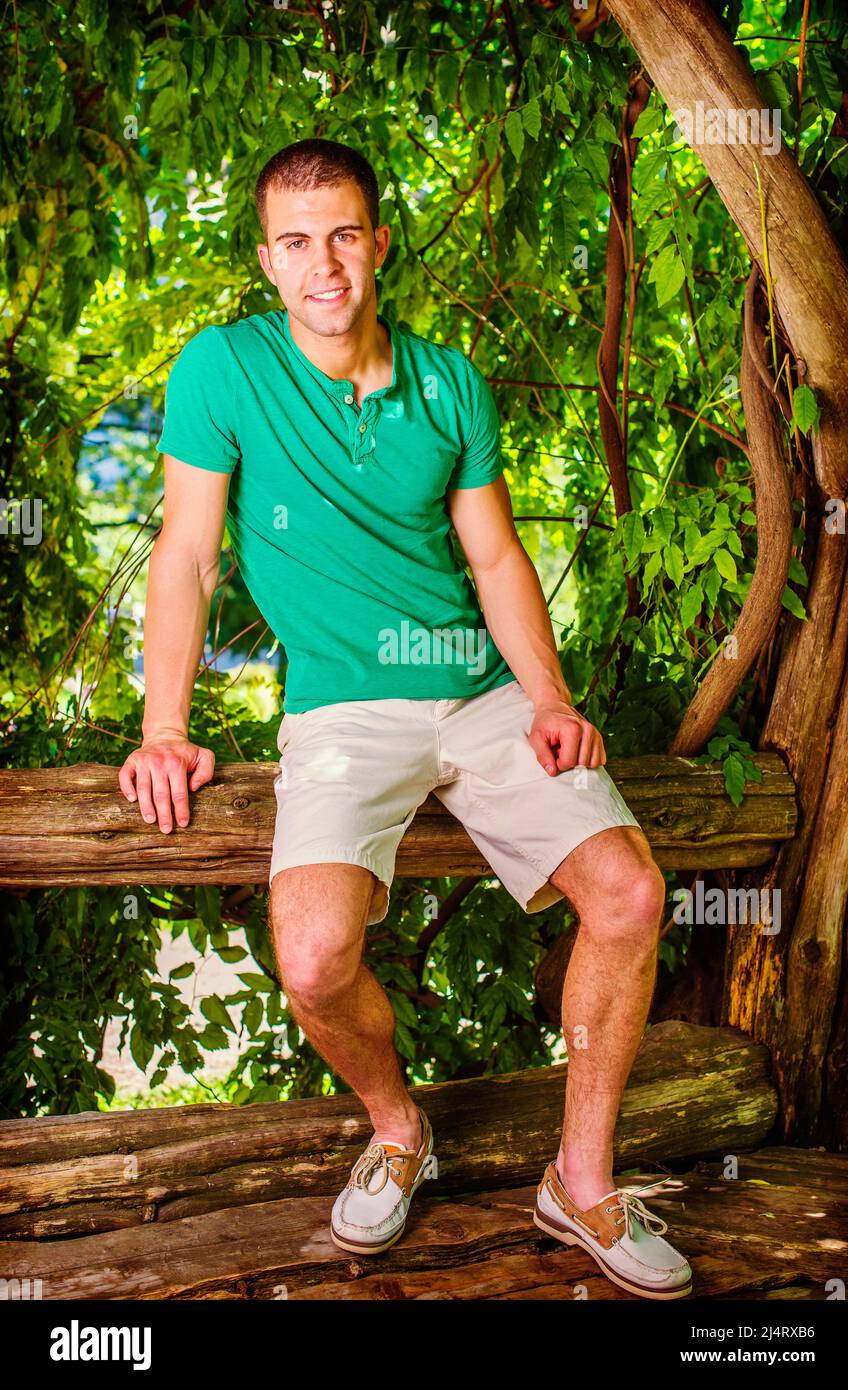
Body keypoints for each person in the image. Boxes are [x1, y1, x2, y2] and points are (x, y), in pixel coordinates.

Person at [118, 138, 692, 1300]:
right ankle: (396, 1128)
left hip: (480, 694)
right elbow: (182, 555)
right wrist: (162, 726)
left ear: (379, 242)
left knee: (631, 892)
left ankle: (580, 1180)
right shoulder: (222, 371)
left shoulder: (450, 382)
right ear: (267, 259)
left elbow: (493, 555)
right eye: (294, 241)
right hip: (341, 706)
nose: (321, 263)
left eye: (342, 234)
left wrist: (549, 696)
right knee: (315, 954)